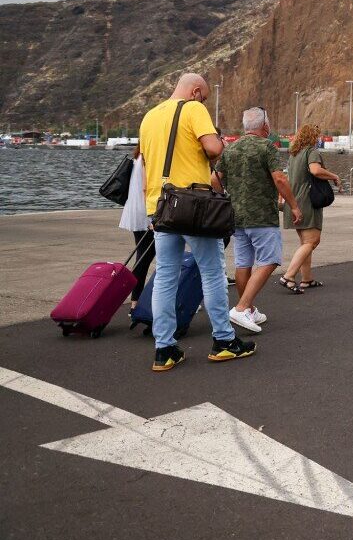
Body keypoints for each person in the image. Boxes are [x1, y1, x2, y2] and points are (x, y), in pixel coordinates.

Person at [138, 72, 255, 372]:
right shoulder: (192, 109)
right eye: (204, 96)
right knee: (212, 272)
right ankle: (224, 341)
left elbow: (146, 167)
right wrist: (220, 146)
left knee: (165, 276)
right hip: (194, 206)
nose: (203, 101)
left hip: (161, 206)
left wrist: (151, 210)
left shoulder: (149, 116)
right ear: (195, 91)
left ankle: (164, 349)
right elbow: (214, 149)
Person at [213, 107, 302, 330]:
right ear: (265, 126)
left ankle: (249, 310)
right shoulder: (266, 147)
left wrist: (225, 197)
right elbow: (280, 179)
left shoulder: (230, 149)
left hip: (237, 216)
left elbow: (214, 179)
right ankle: (242, 308)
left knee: (243, 263)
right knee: (270, 260)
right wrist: (294, 206)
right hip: (262, 216)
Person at [279, 123, 339, 292]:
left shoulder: (294, 154)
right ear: (313, 137)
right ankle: (289, 276)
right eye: (317, 136)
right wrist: (334, 176)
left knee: (305, 242)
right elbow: (315, 170)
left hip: (294, 202)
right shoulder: (311, 152)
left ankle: (306, 279)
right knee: (312, 241)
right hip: (307, 202)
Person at [119, 146, 155, 317]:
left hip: (134, 211)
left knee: (142, 256)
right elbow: (146, 187)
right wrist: (152, 216)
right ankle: (136, 302)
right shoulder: (149, 157)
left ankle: (136, 301)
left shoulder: (138, 156)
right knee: (148, 258)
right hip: (146, 213)